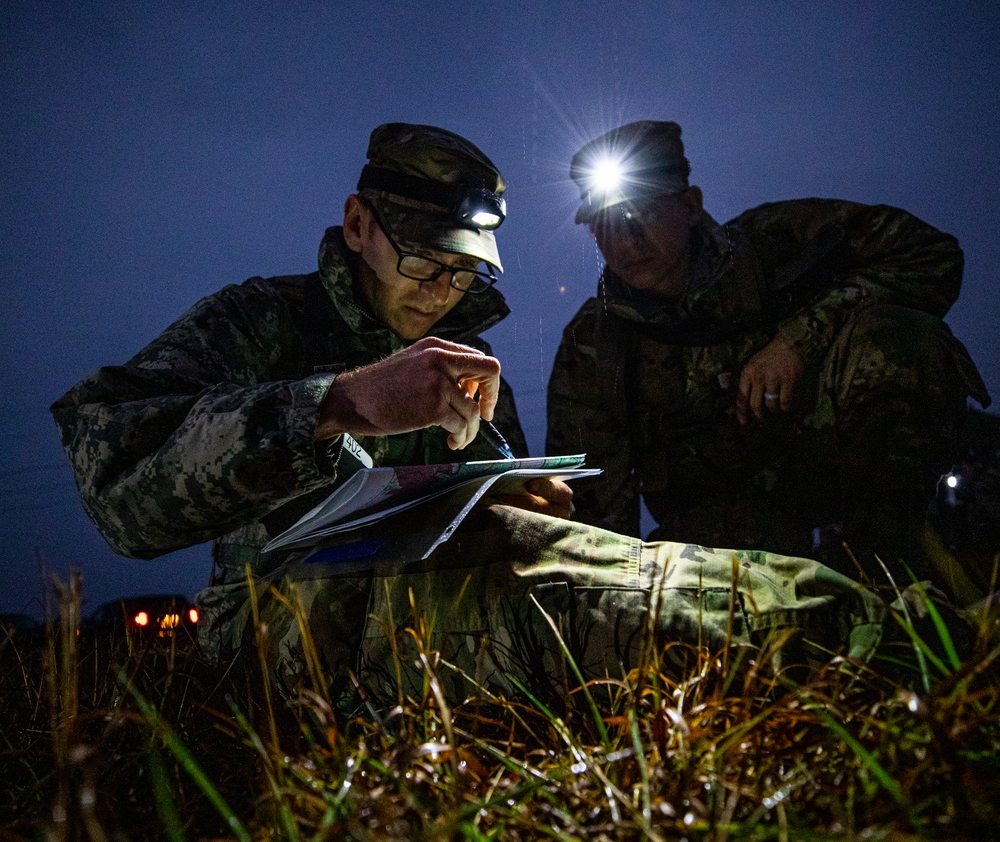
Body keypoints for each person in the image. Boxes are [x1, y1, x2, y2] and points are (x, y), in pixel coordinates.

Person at [53, 122, 886, 710]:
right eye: (422, 261)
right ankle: (856, 652)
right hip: (281, 622)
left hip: (447, 575)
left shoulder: (462, 355)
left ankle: (894, 626)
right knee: (567, 610)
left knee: (621, 562)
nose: (440, 291)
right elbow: (114, 478)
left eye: (461, 273)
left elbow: (504, 510)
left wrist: (515, 497)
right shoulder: (261, 320)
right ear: (357, 225)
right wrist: (337, 404)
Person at [547, 120, 990, 573]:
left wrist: (799, 340)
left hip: (843, 480)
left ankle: (891, 574)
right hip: (717, 534)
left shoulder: (777, 242)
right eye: (606, 225)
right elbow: (596, 513)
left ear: (690, 206)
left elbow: (929, 254)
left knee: (898, 338)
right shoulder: (593, 344)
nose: (627, 240)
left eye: (643, 214)